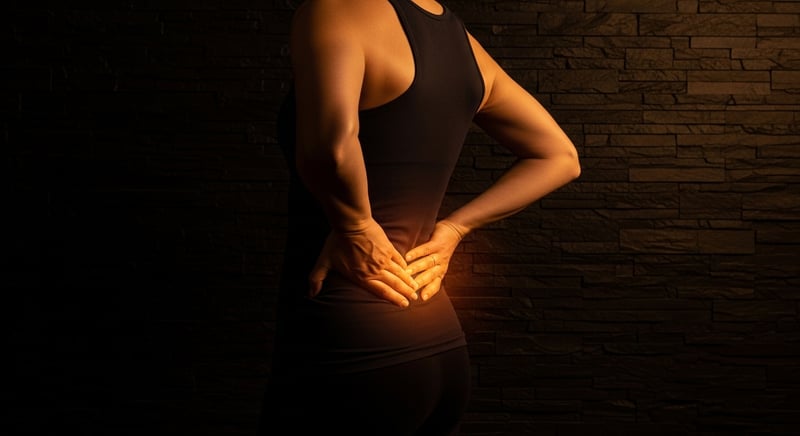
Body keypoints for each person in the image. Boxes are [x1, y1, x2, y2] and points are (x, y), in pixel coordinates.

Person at [259, 0, 580, 434]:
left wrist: (355, 224)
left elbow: (332, 148)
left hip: (351, 338)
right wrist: (453, 228)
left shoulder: (334, 9)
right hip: (438, 343)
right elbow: (560, 156)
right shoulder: (461, 42)